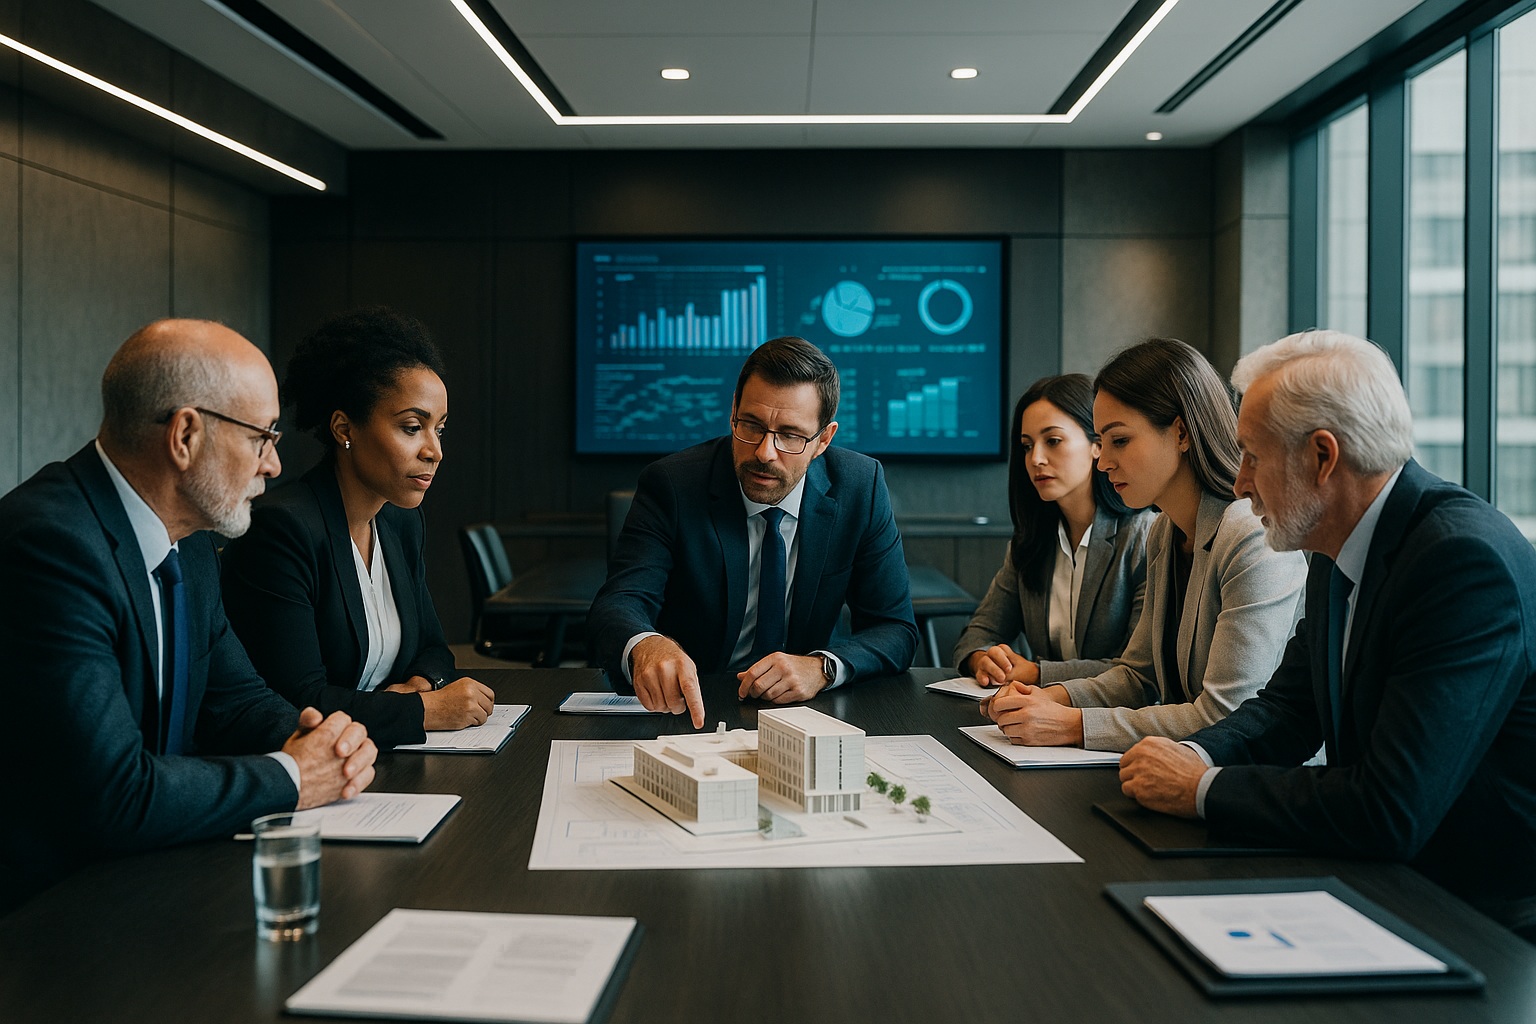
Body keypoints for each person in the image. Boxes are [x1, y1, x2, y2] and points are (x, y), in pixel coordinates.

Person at [1119, 330, 1536, 941]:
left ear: (1322, 457)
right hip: (1391, 883)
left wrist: (1203, 788)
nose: (1238, 483)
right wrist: (1195, 755)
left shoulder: (1461, 562)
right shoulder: (1336, 542)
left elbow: (1388, 807)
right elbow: (1289, 708)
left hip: (1479, 921)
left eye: (1252, 456)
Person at [0, 319, 377, 913]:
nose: (274, 465)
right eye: (263, 438)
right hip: (44, 913)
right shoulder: (51, 547)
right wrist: (293, 776)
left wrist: (315, 739)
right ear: (185, 437)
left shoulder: (193, 538)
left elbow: (235, 700)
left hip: (149, 876)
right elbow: (113, 795)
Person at [983, 338, 1306, 752]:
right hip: (1177, 767)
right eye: (1101, 441)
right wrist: (1049, 698)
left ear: (1182, 433)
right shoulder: (1164, 532)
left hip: (1249, 783)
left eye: (1119, 441)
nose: (1102, 463)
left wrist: (1073, 725)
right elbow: (1138, 675)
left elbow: (1227, 714)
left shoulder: (1251, 535)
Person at [590, 335, 918, 727]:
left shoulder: (859, 487)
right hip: (690, 708)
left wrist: (822, 668)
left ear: (823, 440)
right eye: (751, 425)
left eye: (791, 436)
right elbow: (618, 604)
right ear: (733, 413)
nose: (764, 451)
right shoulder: (673, 485)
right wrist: (647, 645)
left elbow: (896, 629)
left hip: (809, 714)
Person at [221, 308, 494, 749]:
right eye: (412, 427)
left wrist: (421, 685)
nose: (434, 451)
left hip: (378, 757)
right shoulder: (282, 528)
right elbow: (296, 698)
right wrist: (424, 711)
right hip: (306, 765)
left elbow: (434, 649)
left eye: (439, 429)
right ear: (344, 428)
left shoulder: (401, 521)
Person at [953, 374, 1155, 686]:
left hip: (1114, 723)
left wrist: (1038, 673)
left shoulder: (1144, 537)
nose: (1035, 459)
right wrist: (984, 658)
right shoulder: (1031, 539)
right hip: (1033, 718)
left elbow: (1139, 671)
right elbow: (980, 632)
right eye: (1026, 445)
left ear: (1096, 445)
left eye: (1053, 441)